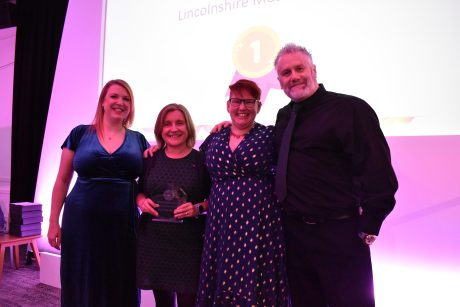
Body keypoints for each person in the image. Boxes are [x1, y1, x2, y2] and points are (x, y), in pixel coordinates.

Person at [273, 43, 398, 307]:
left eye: (299, 68)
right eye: (286, 73)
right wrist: (230, 127)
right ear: (279, 81)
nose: (293, 76)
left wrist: (371, 222)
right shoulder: (283, 116)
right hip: (294, 235)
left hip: (340, 234)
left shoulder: (351, 110)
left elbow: (377, 168)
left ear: (313, 70)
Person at [47, 79, 150, 307]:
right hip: (81, 222)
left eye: (126, 99)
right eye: (114, 96)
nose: (120, 102)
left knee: (122, 277)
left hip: (124, 224)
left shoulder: (139, 139)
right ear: (103, 101)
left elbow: (148, 183)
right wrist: (54, 221)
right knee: (83, 277)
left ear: (131, 107)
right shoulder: (79, 134)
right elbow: (63, 180)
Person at [196, 79, 289, 306]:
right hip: (221, 224)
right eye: (236, 101)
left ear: (258, 106)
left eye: (249, 102)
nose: (242, 107)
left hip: (259, 223)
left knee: (258, 281)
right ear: (228, 105)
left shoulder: (270, 136)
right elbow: (196, 171)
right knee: (221, 278)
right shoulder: (214, 138)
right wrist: (159, 146)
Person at [136, 103, 211, 307]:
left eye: (179, 123)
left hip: (188, 245)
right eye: (167, 124)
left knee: (188, 300)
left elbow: (214, 198)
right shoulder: (151, 159)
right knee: (163, 302)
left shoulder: (201, 160)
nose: (174, 128)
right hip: (155, 241)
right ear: (160, 129)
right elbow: (138, 190)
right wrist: (141, 201)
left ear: (188, 127)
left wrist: (197, 208)